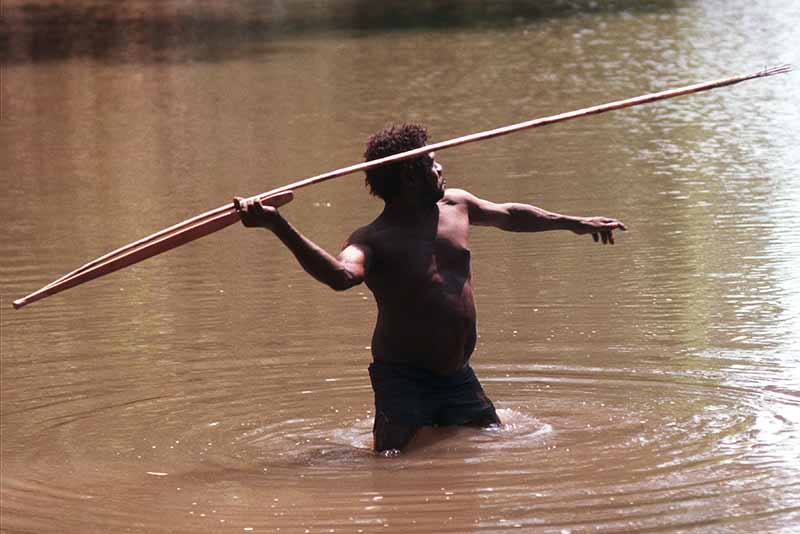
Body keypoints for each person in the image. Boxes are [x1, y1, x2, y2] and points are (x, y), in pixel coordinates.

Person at [236, 123, 626, 453]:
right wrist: (278, 226)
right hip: (404, 378)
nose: (441, 168)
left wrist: (574, 222)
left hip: (456, 373)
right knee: (389, 462)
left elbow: (510, 215)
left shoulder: (457, 205)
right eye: (431, 162)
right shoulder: (373, 239)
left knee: (491, 444)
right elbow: (341, 276)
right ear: (409, 177)